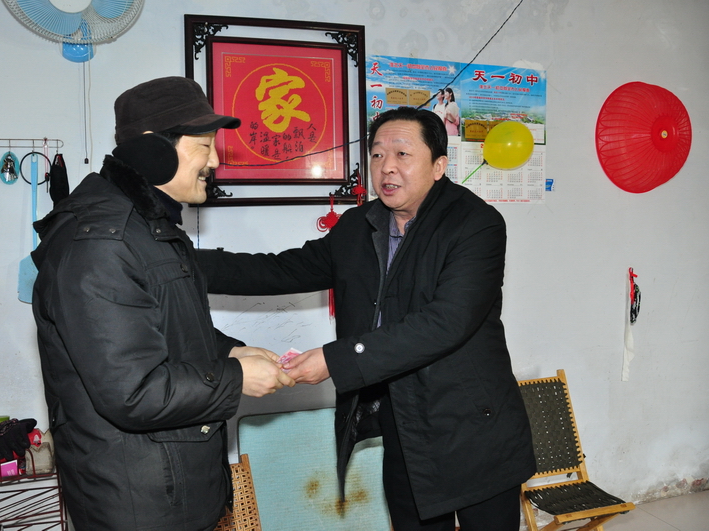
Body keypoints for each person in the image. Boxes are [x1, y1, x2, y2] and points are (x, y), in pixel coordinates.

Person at [198, 107, 535, 530]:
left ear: (438, 166)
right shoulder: (360, 225)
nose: (386, 167)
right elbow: (281, 269)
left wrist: (335, 359)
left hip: (474, 426)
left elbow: (446, 322)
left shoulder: (476, 224)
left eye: (402, 154)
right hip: (405, 426)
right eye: (377, 155)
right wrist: (184, 260)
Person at [31, 76, 294, 531]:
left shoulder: (149, 226)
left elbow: (165, 325)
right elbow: (133, 392)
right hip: (138, 504)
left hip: (174, 488)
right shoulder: (100, 244)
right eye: (205, 145)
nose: (215, 161)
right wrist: (236, 378)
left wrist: (231, 352)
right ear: (154, 150)